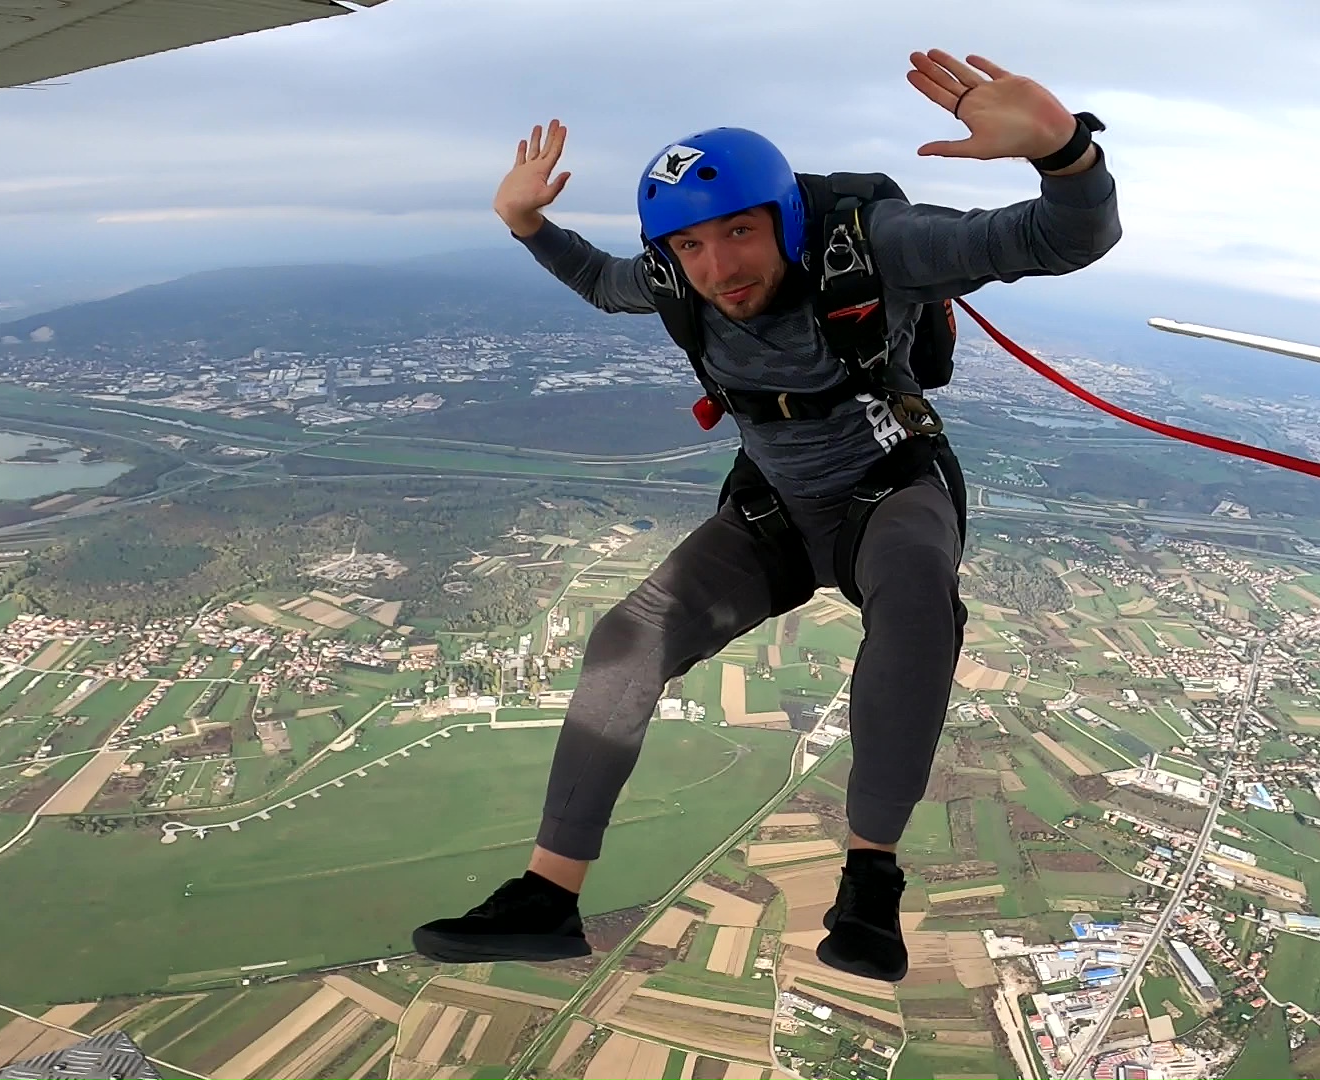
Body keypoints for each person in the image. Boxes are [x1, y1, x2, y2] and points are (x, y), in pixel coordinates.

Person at [413, 49, 1121, 983]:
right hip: (776, 510)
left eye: (739, 234)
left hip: (891, 492)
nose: (719, 268)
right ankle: (546, 896)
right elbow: (597, 279)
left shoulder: (878, 245)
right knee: (628, 637)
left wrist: (1066, 153)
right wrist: (525, 224)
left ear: (784, 219)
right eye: (692, 246)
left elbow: (1064, 239)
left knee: (915, 598)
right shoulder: (675, 280)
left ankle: (870, 885)